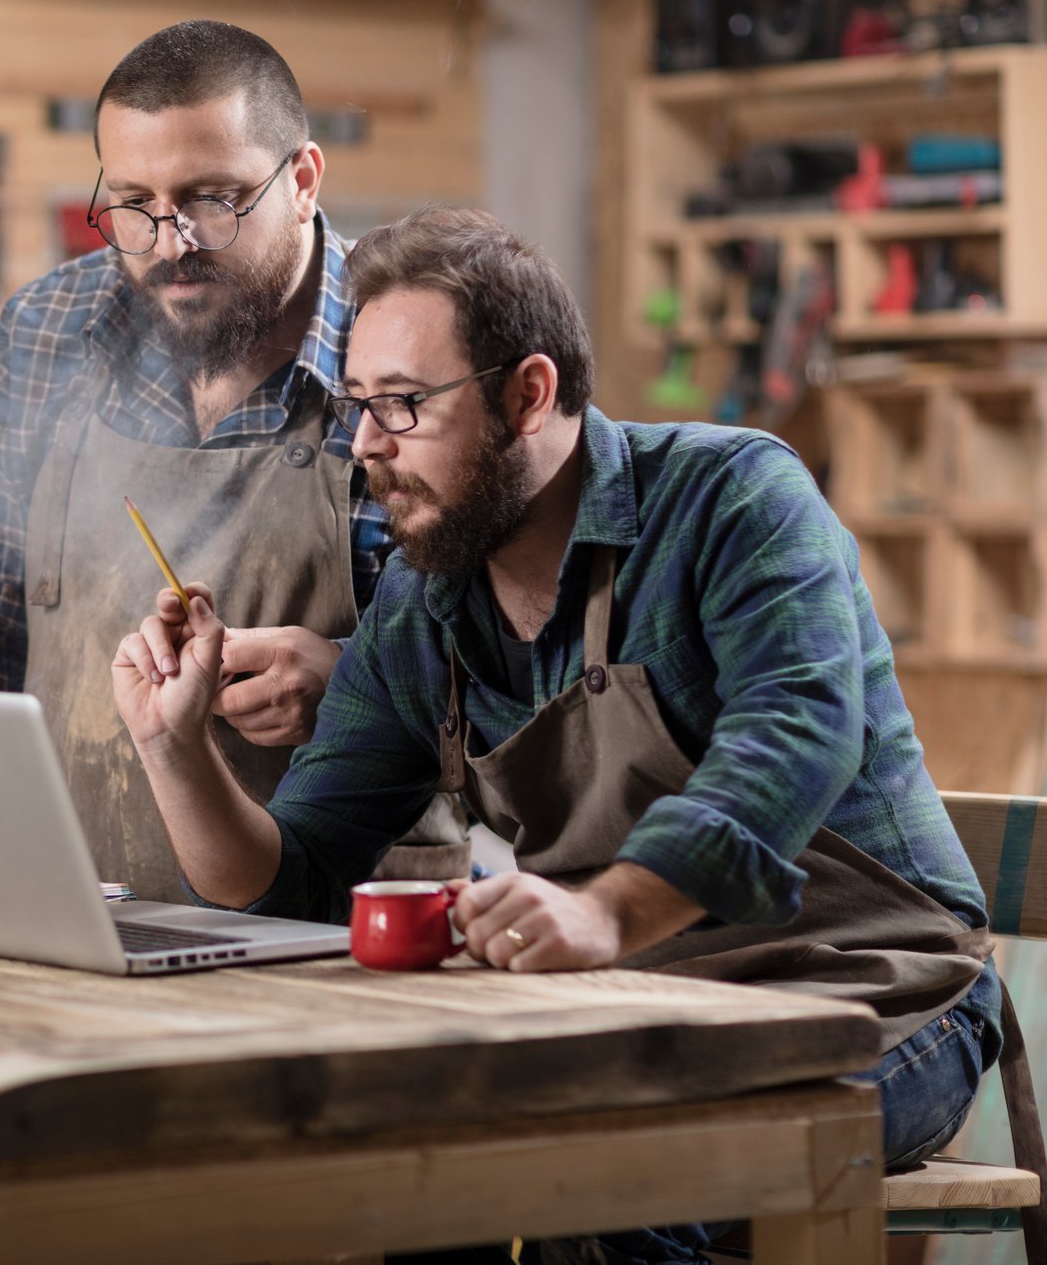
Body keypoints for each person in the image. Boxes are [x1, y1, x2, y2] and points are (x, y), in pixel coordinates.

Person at [112, 205, 1007, 1262]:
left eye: (401, 405)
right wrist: (176, 750)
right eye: (358, 407)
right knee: (414, 1178)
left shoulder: (735, 498)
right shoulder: (422, 601)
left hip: (874, 995)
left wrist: (605, 915)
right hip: (638, 1005)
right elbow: (290, 876)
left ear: (530, 394)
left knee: (620, 1189)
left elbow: (796, 740)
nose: (367, 448)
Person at [0, 19, 465, 901]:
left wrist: (351, 682)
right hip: (73, 911)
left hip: (337, 932)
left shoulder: (409, 353)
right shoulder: (52, 329)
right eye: (134, 205)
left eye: (214, 200)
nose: (172, 244)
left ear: (305, 180)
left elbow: (504, 662)